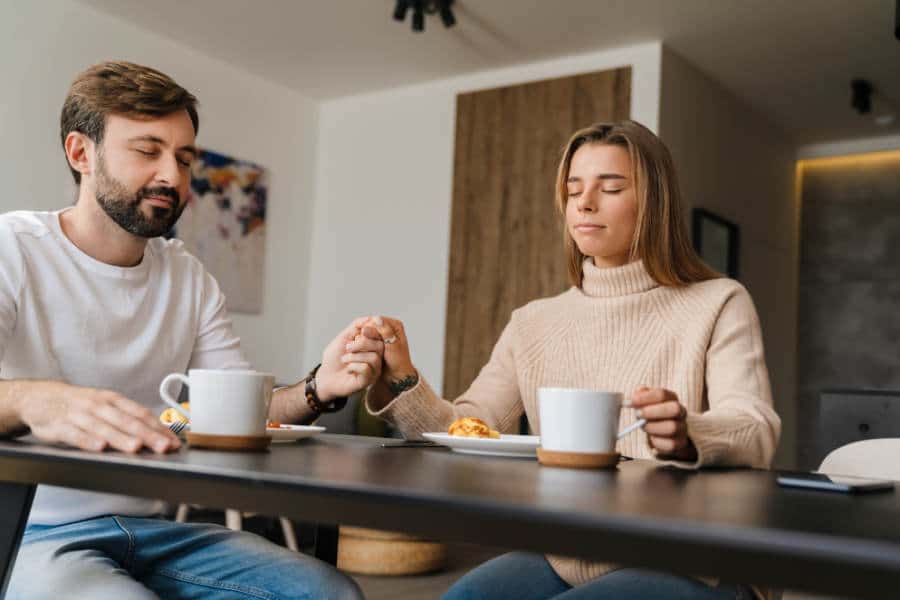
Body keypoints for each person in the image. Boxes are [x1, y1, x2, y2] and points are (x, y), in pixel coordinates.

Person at [0, 61, 382, 600]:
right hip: (31, 533)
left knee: (328, 592)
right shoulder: (13, 248)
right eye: (147, 150)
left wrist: (321, 387)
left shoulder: (188, 276)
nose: (172, 177)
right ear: (81, 153)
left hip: (156, 530)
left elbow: (239, 411)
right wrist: (38, 401)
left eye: (183, 159)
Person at [356, 120, 781, 599]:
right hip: (567, 551)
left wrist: (689, 435)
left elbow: (755, 427)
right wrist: (402, 379)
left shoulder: (719, 302)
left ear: (654, 203)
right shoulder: (533, 322)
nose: (585, 202)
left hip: (693, 559)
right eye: (573, 188)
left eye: (611, 187)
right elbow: (471, 427)